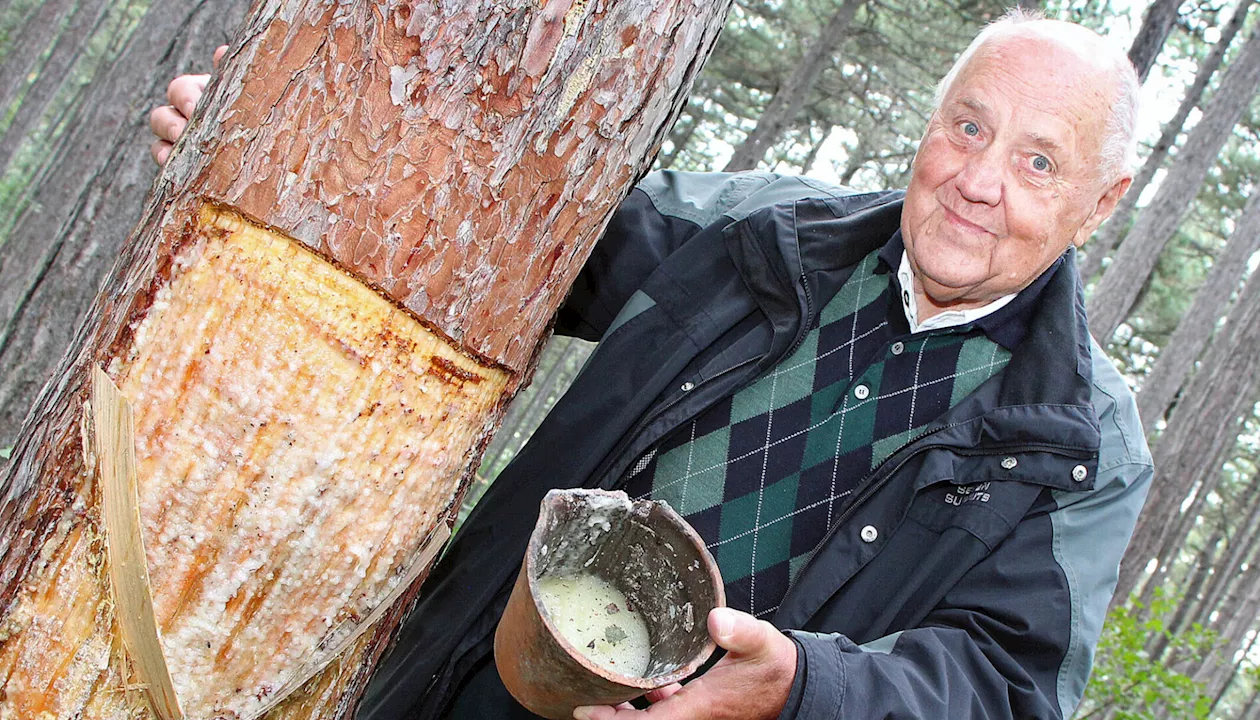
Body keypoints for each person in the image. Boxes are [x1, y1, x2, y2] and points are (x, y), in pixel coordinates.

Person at [151, 10, 1153, 720]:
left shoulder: (1075, 443)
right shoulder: (762, 234)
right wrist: (295, 152)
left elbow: (1003, 688)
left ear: (1097, 203)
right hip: (473, 675)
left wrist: (800, 688)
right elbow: (515, 239)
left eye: (1035, 161)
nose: (976, 181)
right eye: (966, 126)